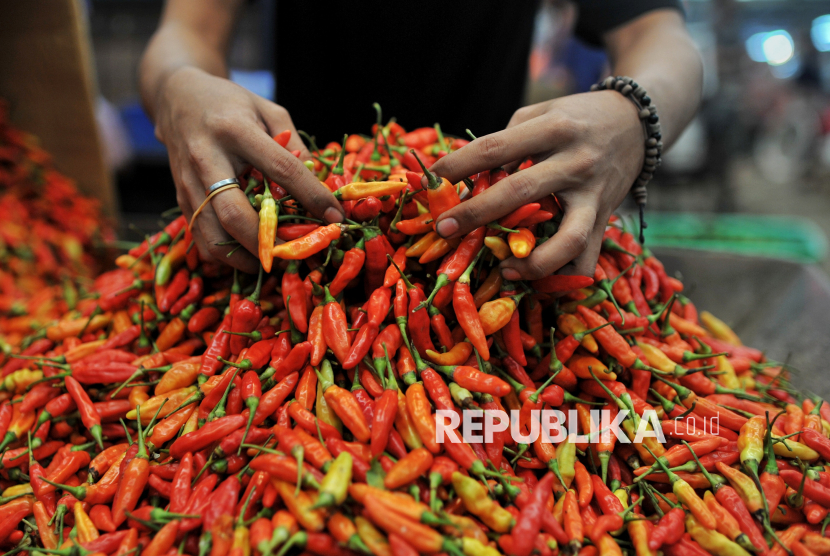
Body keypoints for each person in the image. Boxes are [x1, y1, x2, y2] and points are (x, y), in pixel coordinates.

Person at [139, 1, 702, 279]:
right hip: (288, 219)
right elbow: (185, 33)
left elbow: (662, 39)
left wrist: (633, 111)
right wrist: (178, 87)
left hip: (499, 216)